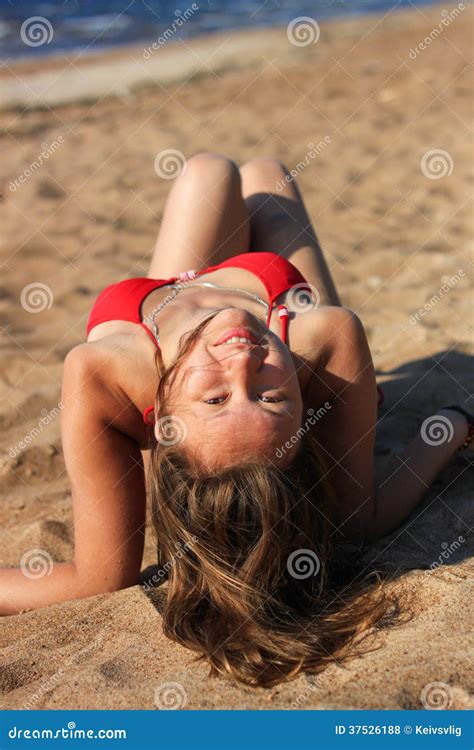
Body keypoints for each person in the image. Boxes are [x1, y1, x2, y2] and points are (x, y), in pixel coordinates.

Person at [2, 154, 472, 687]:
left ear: (161, 424)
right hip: (272, 291)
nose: (244, 360)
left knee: (208, 172)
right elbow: (365, 517)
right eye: (272, 396)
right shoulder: (321, 343)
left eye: (216, 400)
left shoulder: (101, 372)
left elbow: (96, 580)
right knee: (266, 175)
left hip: (152, 307)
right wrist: (453, 425)